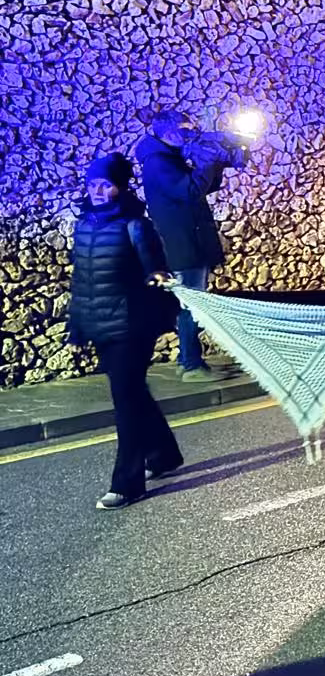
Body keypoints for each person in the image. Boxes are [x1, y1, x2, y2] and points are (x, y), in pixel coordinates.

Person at [67, 153, 183, 510]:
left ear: (120, 187)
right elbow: (83, 280)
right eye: (93, 184)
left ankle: (128, 482)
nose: (99, 191)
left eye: (106, 184)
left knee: (126, 401)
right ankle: (163, 454)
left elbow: (154, 269)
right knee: (132, 393)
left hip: (132, 326)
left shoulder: (136, 225)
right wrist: (79, 322)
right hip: (100, 323)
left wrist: (159, 276)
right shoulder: (84, 223)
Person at [134, 109, 249, 381]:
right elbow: (189, 192)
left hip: (187, 241)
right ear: (168, 131)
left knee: (191, 301)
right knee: (191, 303)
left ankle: (187, 359)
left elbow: (199, 186)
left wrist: (218, 163)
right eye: (186, 129)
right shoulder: (158, 163)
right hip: (183, 244)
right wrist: (208, 161)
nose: (192, 133)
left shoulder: (167, 158)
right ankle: (192, 366)